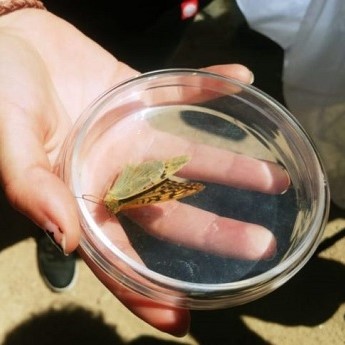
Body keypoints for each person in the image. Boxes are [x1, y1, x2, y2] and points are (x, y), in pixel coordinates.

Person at [0, 1, 290, 337]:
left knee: (150, 63)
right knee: (57, 198)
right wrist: (12, 18)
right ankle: (54, 237)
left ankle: (57, 232)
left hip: (164, 15)